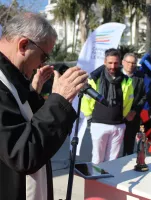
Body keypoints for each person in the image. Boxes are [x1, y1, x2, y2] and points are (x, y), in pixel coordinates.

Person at [0, 12, 88, 200]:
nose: (42, 64)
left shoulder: (12, 76)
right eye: (43, 56)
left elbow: (22, 120)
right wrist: (60, 100)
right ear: (23, 45)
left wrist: (32, 93)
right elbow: (23, 154)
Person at [81, 48, 134, 164]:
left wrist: (123, 117)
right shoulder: (95, 79)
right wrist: (89, 118)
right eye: (110, 63)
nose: (113, 66)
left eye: (115, 63)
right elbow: (87, 100)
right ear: (105, 62)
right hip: (98, 124)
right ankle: (95, 181)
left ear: (120, 63)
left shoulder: (126, 81)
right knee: (97, 159)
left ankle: (109, 182)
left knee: (113, 161)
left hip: (118, 125)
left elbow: (128, 101)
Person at [121, 53, 146, 156]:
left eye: (133, 63)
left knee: (129, 147)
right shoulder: (115, 76)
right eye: (128, 62)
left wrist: (134, 111)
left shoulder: (140, 79)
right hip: (116, 117)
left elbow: (143, 97)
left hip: (132, 117)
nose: (130, 65)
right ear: (123, 62)